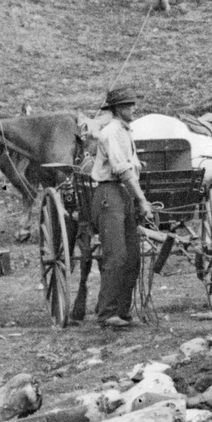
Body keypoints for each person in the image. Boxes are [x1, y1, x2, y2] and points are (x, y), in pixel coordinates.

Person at [83, 87, 149, 328]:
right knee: (116, 256)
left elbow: (130, 165)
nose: (133, 108)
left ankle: (123, 312)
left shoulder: (124, 131)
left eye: (133, 104)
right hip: (108, 195)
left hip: (122, 195)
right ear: (118, 109)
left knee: (133, 258)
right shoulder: (111, 132)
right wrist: (142, 199)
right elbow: (122, 170)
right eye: (129, 105)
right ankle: (106, 313)